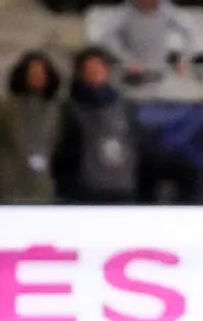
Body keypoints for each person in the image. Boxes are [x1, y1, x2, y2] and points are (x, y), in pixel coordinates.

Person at [52, 48, 142, 204]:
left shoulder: (125, 106)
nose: (95, 72)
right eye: (89, 68)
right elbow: (62, 152)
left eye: (99, 67)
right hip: (85, 191)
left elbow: (135, 143)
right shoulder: (69, 109)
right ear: (80, 72)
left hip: (122, 188)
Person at [103, 0, 195, 95]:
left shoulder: (166, 11)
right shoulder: (124, 14)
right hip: (132, 79)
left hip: (160, 76)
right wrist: (127, 60)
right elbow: (107, 38)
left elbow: (189, 33)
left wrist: (184, 59)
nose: (146, 2)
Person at [0, 51, 62, 204]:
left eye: (41, 72)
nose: (37, 76)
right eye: (33, 72)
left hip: (46, 187)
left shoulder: (57, 109)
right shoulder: (7, 108)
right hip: (11, 187)